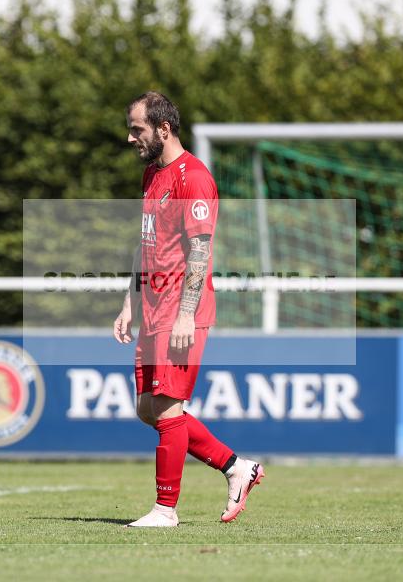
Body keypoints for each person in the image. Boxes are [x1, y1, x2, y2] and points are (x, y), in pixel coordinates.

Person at [113, 91, 264, 528]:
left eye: (137, 128)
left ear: (163, 129)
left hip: (182, 311)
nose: (129, 137)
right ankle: (237, 467)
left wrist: (185, 314)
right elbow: (146, 246)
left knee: (166, 410)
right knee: (149, 409)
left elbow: (200, 249)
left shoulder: (193, 178)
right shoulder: (151, 176)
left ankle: (166, 510)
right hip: (153, 310)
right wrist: (129, 301)